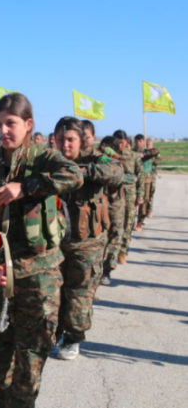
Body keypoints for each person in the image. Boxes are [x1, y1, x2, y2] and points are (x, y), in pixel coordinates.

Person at [0, 93, 82, 408]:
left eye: (10, 123)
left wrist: (25, 187)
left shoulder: (43, 159)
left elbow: (74, 175)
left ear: (28, 124)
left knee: (33, 351)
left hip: (39, 274)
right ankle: (3, 399)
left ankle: (21, 402)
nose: (3, 130)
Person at [53, 117, 123, 360]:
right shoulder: (50, 161)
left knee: (79, 292)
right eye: (61, 139)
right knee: (53, 290)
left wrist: (81, 171)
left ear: (81, 140)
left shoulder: (96, 159)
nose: (65, 145)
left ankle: (73, 338)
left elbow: (116, 172)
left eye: (70, 139)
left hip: (87, 243)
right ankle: (54, 332)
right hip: (55, 240)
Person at [99, 136, 127, 286]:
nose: (105, 149)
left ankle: (107, 270)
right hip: (100, 203)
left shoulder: (120, 161)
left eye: (108, 147)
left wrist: (113, 156)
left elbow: (126, 172)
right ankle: (97, 270)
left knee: (115, 236)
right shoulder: (97, 159)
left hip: (116, 204)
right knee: (100, 237)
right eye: (104, 146)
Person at [113, 130, 143, 265]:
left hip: (129, 195)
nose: (119, 145)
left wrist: (140, 196)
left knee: (128, 224)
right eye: (117, 142)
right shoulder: (108, 156)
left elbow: (140, 176)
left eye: (122, 142)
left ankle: (122, 252)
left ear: (126, 142)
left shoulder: (133, 156)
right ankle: (111, 252)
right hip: (112, 195)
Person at [133, 134, 160, 231]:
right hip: (135, 180)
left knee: (144, 201)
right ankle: (131, 222)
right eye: (136, 141)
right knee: (133, 202)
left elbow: (157, 151)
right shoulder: (132, 152)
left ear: (143, 142)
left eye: (140, 141)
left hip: (146, 180)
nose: (138, 143)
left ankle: (139, 223)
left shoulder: (148, 151)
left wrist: (144, 154)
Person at [146, 139, 161, 218]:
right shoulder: (143, 152)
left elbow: (159, 162)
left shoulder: (155, 153)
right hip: (144, 175)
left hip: (152, 175)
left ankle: (149, 210)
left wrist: (151, 159)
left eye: (149, 144)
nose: (148, 146)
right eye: (147, 144)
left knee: (151, 192)